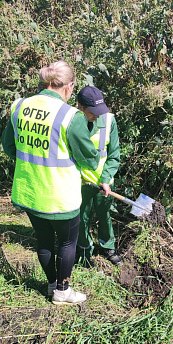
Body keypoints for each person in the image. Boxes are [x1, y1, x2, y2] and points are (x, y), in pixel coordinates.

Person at [1, 61, 100, 305]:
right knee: (67, 242)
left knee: (43, 241)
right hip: (60, 195)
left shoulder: (19, 106)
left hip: (29, 191)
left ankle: (51, 285)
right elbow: (89, 158)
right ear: (69, 87)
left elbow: (8, 147)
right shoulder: (70, 116)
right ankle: (62, 292)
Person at [76, 86, 122, 266]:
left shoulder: (109, 121)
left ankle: (108, 246)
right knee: (81, 217)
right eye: (92, 111)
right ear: (80, 107)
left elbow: (114, 155)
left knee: (104, 215)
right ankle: (84, 248)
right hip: (80, 181)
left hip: (104, 182)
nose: (97, 115)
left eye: (99, 110)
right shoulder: (71, 121)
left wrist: (105, 179)